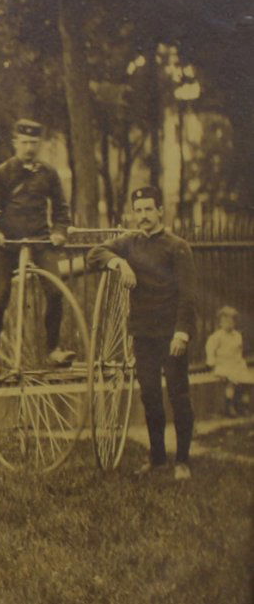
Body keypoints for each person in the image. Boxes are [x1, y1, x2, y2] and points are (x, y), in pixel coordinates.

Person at [87, 186, 197, 480]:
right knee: (149, 396)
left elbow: (188, 295)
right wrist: (119, 262)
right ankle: (158, 459)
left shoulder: (178, 247)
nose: (144, 216)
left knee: (178, 394)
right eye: (139, 210)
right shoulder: (130, 243)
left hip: (171, 334)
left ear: (161, 211)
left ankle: (183, 460)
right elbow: (95, 253)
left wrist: (182, 334)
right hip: (143, 333)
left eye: (149, 209)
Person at [0, 119, 75, 379]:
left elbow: (62, 211)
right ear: (15, 143)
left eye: (34, 142)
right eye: (24, 142)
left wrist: (59, 232)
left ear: (39, 144)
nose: (29, 147)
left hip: (40, 240)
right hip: (7, 244)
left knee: (55, 290)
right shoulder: (2, 173)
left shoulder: (48, 173)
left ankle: (53, 348)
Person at [205, 306, 251, 417]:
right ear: (220, 322)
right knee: (231, 382)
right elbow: (210, 349)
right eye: (225, 321)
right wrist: (211, 362)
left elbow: (238, 351)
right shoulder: (216, 336)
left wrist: (240, 363)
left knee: (246, 381)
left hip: (236, 363)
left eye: (232, 321)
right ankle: (229, 406)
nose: (229, 323)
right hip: (223, 364)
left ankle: (243, 405)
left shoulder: (237, 335)